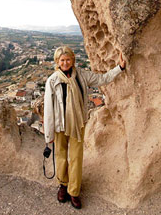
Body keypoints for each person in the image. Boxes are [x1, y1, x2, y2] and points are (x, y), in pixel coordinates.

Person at [43, 46, 126, 209]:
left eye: (68, 59)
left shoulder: (81, 76)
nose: (65, 63)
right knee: (60, 157)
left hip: (77, 124)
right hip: (60, 126)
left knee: (76, 158)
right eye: (62, 60)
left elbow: (103, 79)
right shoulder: (52, 81)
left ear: (73, 60)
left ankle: (74, 191)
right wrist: (48, 135)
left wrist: (120, 68)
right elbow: (48, 109)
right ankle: (63, 185)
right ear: (57, 62)